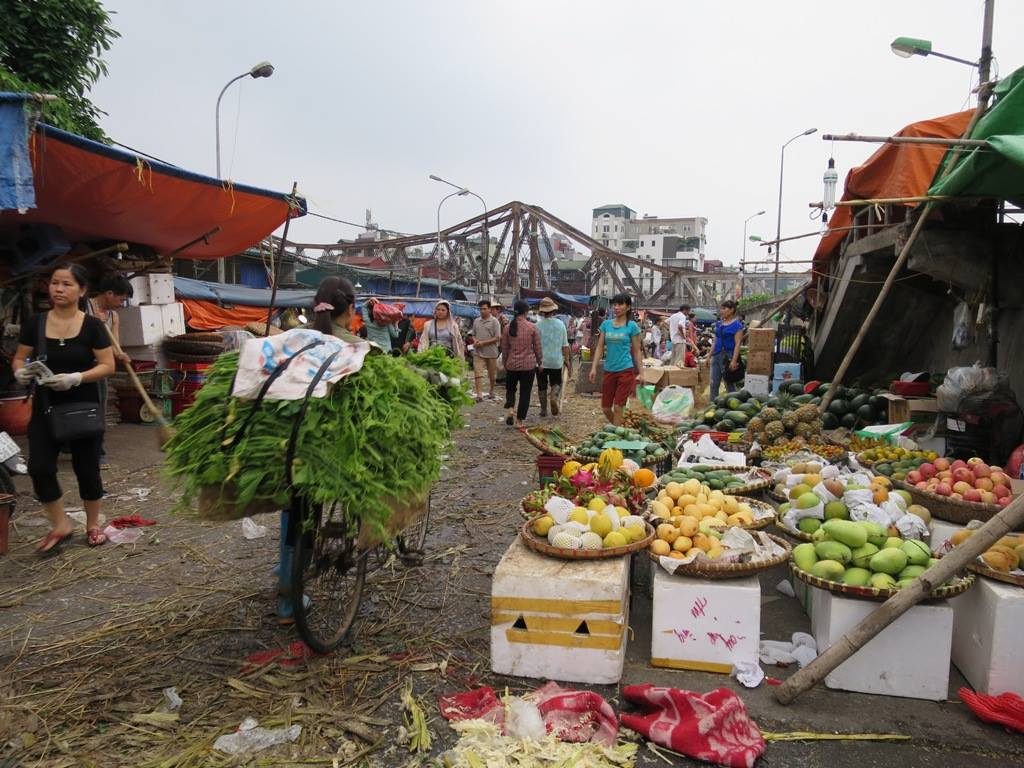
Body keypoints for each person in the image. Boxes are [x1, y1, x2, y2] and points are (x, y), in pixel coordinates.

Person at [12, 264, 116, 554]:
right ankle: (60, 524)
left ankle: (93, 524)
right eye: (55, 283)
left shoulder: (93, 326)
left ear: (82, 290)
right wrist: (20, 371)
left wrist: (76, 377)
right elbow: (20, 358)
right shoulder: (36, 323)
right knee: (39, 467)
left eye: (66, 284)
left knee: (87, 469)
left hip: (82, 406)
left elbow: (108, 365)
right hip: (46, 407)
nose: (58, 289)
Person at [87, 273, 132, 469]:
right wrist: (92, 322)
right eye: (121, 299)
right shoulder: (84, 307)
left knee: (98, 409)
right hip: (78, 366)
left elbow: (114, 344)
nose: (122, 304)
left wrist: (120, 354)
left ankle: (97, 451)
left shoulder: (113, 316)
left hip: (99, 368)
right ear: (109, 293)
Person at [589, 293, 642, 426]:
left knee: (618, 407)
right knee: (606, 408)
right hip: (609, 369)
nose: (616, 307)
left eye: (620, 304)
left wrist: (641, 372)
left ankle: (617, 437)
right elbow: (600, 347)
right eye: (615, 304)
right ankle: (620, 430)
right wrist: (594, 367)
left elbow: (636, 350)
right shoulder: (606, 324)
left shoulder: (632, 326)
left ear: (628, 307)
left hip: (625, 369)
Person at [499, 300, 542, 427]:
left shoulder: (507, 328)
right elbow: (538, 348)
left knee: (511, 389)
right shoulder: (532, 327)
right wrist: (540, 363)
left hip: (512, 365)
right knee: (525, 393)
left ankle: (511, 409)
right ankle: (519, 421)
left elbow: (504, 349)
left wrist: (505, 363)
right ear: (526, 312)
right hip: (528, 366)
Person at [535, 297, 572, 417]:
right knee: (556, 383)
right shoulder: (560, 324)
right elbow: (565, 345)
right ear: (553, 311)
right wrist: (567, 360)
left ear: (542, 311)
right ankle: (553, 397)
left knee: (542, 385)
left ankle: (543, 410)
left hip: (541, 362)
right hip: (556, 361)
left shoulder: (537, 326)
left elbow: (534, 346)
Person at [710, 299, 744, 399]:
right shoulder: (719, 324)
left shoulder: (737, 325)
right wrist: (709, 356)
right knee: (713, 384)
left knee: (729, 383)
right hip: (716, 356)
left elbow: (738, 344)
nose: (721, 311)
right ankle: (712, 406)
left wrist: (733, 360)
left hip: (728, 356)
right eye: (721, 308)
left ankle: (732, 406)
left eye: (724, 308)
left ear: (732, 310)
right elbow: (715, 341)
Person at [471, 299, 501, 401]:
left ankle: (492, 390)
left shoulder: (495, 322)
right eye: (481, 309)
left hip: (491, 352)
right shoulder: (476, 321)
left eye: (484, 309)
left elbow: (497, 337)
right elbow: (473, 334)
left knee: (491, 375)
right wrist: (475, 341)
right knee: (477, 372)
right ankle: (479, 394)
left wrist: (483, 343)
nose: (482, 311)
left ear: (489, 309)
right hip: (478, 352)